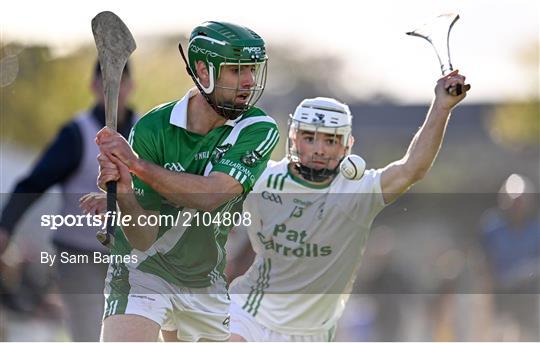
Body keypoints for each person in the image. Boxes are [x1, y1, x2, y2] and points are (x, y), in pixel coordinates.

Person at [228, 71, 470, 341]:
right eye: (310, 138)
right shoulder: (262, 178)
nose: (319, 149)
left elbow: (411, 169)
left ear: (347, 145)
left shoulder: (357, 192)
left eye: (330, 140)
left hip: (312, 332)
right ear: (294, 139)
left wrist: (441, 107)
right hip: (250, 311)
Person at [90, 21, 279, 342]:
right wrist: (123, 192)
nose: (249, 81)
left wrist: (135, 165)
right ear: (204, 72)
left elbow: (211, 195)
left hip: (204, 279)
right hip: (143, 271)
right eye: (236, 70)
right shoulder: (153, 128)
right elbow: (142, 237)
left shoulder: (258, 129)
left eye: (252, 69)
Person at [0, 60, 136, 341]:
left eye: (122, 82)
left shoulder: (145, 132)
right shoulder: (77, 134)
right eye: (106, 82)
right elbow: (34, 183)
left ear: (131, 86)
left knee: (124, 331)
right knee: (88, 331)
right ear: (93, 86)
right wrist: (5, 227)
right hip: (79, 254)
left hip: (129, 255)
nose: (115, 89)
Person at [479, 173, 539, 341]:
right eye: (513, 202)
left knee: (527, 333)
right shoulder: (493, 227)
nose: (517, 206)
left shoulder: (536, 229)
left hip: (530, 293)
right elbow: (485, 262)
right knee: (501, 332)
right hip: (501, 292)